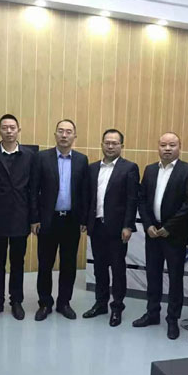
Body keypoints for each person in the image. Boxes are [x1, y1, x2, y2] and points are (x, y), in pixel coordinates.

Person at [133, 132, 188, 340]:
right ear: (158, 147)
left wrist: (169, 227)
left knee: (175, 278)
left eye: (172, 145)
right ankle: (152, 313)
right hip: (153, 233)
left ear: (180, 147)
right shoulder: (150, 169)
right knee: (152, 275)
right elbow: (142, 199)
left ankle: (172, 319)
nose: (167, 149)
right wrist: (148, 225)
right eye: (163, 145)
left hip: (175, 234)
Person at [31, 119, 89, 321]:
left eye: (68, 132)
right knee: (45, 264)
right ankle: (45, 303)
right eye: (61, 131)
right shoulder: (41, 158)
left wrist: (84, 219)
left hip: (71, 221)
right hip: (47, 220)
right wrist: (34, 218)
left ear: (75, 136)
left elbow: (84, 192)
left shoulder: (82, 160)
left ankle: (64, 302)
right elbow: (33, 190)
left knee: (68, 264)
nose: (64, 135)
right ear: (55, 134)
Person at [0, 114, 36, 321]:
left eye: (13, 127)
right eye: (5, 128)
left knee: (18, 262)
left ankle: (16, 301)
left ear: (18, 130)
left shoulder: (30, 156)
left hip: (21, 217)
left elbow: (33, 190)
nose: (9, 131)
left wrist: (34, 218)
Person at [82, 129, 139, 327]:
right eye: (107, 142)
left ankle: (117, 307)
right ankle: (100, 303)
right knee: (99, 268)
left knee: (117, 269)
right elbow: (88, 197)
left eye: (115, 143)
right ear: (102, 144)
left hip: (117, 229)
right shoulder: (92, 168)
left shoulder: (129, 168)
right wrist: (85, 221)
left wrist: (128, 225)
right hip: (97, 226)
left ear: (122, 146)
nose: (110, 146)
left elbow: (132, 199)